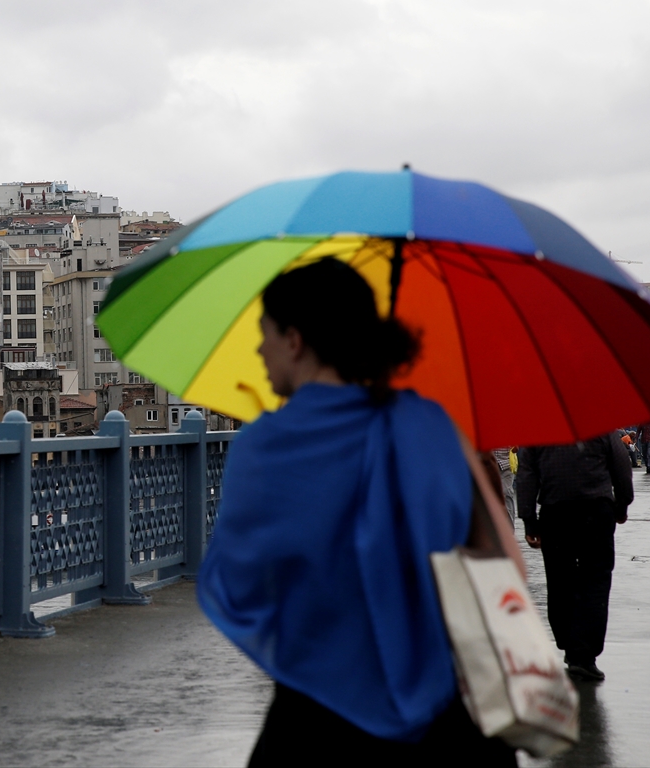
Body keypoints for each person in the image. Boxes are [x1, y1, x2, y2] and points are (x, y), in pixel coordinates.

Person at [197, 258, 516, 765]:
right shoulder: (431, 425)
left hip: (315, 718)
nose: (259, 350)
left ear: (295, 340)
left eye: (264, 334)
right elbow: (503, 563)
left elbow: (240, 586)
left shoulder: (266, 444)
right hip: (443, 716)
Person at [517, 434, 633, 682]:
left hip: (556, 513)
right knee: (596, 583)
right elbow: (622, 467)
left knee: (560, 581)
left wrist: (529, 520)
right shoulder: (603, 429)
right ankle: (585, 654)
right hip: (596, 512)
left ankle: (570, 645)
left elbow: (527, 475)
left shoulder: (538, 432)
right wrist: (621, 505)